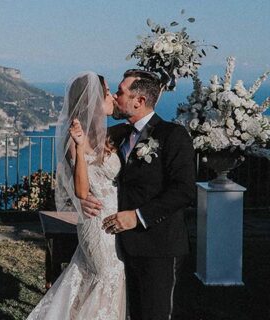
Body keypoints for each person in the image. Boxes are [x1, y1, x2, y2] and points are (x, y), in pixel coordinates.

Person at [82, 69, 196, 320]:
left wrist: (138, 216)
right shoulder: (118, 135)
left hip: (159, 247)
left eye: (120, 92)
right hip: (120, 248)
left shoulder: (172, 135)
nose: (114, 97)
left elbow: (184, 190)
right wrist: (83, 198)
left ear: (139, 101)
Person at [27, 71, 126, 320]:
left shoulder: (108, 134)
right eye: (106, 92)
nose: (112, 96)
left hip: (116, 218)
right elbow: (81, 190)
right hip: (96, 220)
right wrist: (81, 148)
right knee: (105, 276)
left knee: (97, 278)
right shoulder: (76, 138)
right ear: (92, 100)